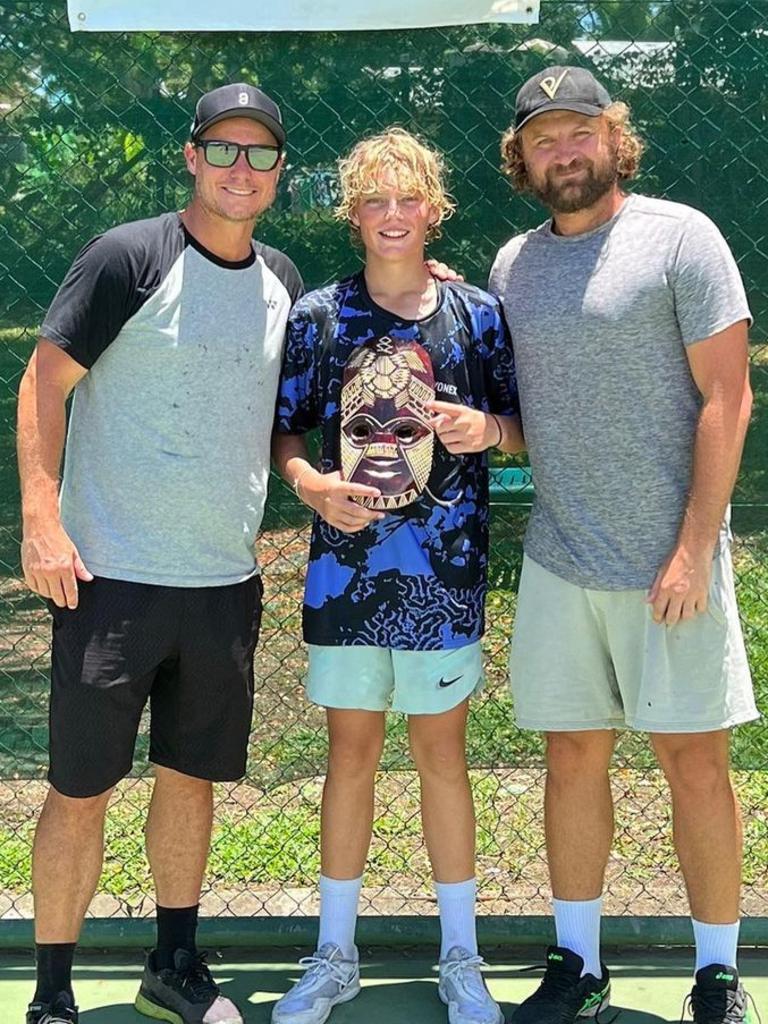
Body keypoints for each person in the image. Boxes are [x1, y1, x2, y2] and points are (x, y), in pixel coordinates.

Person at [17, 83, 304, 1024]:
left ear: (278, 173)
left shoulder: (284, 281)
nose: (240, 169)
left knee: (188, 781)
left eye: (260, 155)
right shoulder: (127, 257)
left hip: (223, 583)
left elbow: (266, 426)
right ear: (191, 157)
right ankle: (53, 993)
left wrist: (311, 482)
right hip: (108, 582)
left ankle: (173, 965)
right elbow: (42, 384)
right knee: (80, 789)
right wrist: (42, 520)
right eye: (223, 149)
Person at [490, 66, 759, 1024]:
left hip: (667, 566)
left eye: (579, 132)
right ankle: (577, 967)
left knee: (696, 765)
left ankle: (719, 977)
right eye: (543, 139)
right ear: (521, 159)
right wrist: (493, 432)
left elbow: (729, 398)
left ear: (614, 136)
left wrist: (694, 546)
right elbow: (531, 416)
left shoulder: (682, 237)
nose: (564, 151)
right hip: (561, 557)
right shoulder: (512, 266)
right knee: (571, 757)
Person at [271, 127, 523, 1024]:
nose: (390, 214)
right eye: (372, 199)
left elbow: (519, 428)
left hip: (444, 584)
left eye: (405, 197)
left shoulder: (477, 315)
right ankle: (333, 954)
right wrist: (309, 485)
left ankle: (462, 958)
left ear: (433, 208)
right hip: (346, 581)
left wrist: (486, 433)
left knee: (440, 758)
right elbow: (288, 430)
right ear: (352, 212)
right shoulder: (319, 318)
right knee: (351, 754)